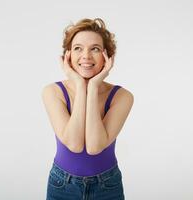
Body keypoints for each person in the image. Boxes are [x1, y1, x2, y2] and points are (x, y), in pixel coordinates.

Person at [42, 18, 134, 200]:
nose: (86, 55)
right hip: (62, 185)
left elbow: (94, 146)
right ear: (67, 56)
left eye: (95, 49)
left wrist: (92, 87)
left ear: (107, 56)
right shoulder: (53, 92)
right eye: (78, 48)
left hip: (107, 186)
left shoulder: (122, 96)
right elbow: (74, 144)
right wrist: (79, 83)